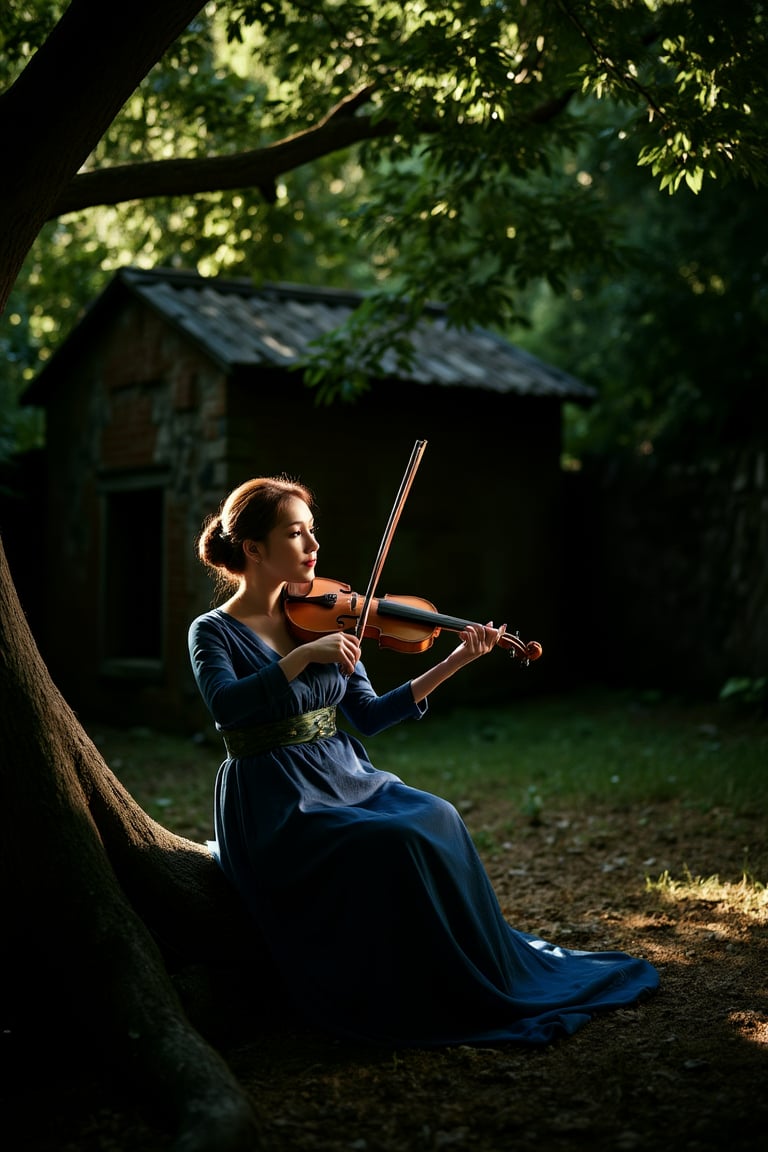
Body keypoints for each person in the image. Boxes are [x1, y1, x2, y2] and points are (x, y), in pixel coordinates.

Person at [188, 475, 659, 1047]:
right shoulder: (212, 631)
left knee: (436, 815)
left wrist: (456, 659)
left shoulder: (330, 615)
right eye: (296, 534)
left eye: (313, 532)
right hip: (276, 796)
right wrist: (303, 658)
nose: (314, 547)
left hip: (343, 772)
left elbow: (368, 716)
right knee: (391, 841)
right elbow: (228, 707)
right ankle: (407, 988)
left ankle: (469, 970)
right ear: (254, 549)